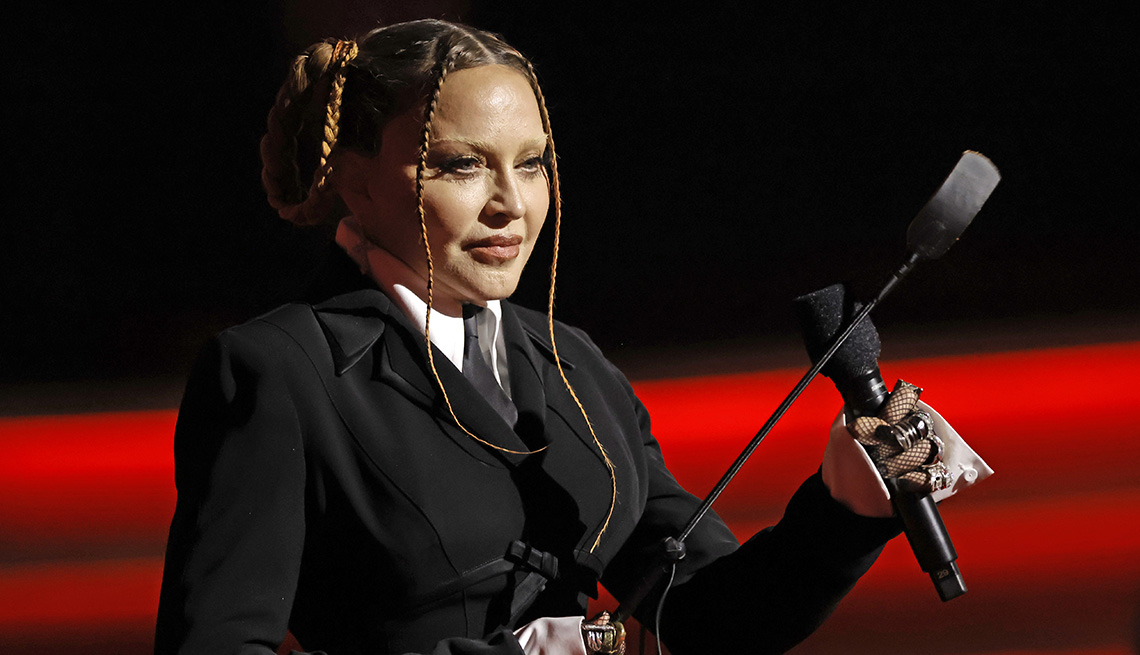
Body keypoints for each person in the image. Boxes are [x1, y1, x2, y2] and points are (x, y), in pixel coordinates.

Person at [155, 18, 987, 655]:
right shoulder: (277, 372)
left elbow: (703, 614)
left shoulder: (573, 364)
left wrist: (843, 506)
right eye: (458, 164)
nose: (509, 204)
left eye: (532, 163)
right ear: (356, 182)